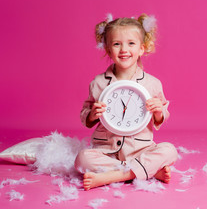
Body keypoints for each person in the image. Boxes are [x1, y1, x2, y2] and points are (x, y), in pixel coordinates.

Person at [75, 13, 178, 190]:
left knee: (170, 150)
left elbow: (162, 115)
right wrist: (92, 114)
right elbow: (85, 115)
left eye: (131, 43)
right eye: (116, 44)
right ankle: (147, 171)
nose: (124, 49)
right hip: (107, 151)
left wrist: (158, 111)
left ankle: (111, 176)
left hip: (141, 150)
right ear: (108, 49)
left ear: (141, 49)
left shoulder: (152, 84)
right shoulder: (98, 83)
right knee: (82, 159)